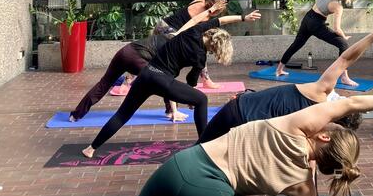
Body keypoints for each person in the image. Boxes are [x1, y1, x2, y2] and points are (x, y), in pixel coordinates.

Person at [127, 93, 373, 196]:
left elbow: (351, 104)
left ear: (324, 134)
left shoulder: (294, 126)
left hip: (175, 168)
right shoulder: (303, 184)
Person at [82, 9, 261, 157]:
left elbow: (220, 20)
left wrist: (243, 17)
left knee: (122, 115)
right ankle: (204, 145)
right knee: (201, 100)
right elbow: (191, 81)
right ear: (216, 47)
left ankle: (91, 148)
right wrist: (190, 99)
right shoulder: (200, 57)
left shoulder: (194, 30)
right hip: (162, 80)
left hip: (146, 74)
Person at [197, 24, 373, 144]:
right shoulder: (320, 106)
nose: (345, 98)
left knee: (205, 152)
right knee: (204, 153)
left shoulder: (321, 96)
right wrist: (372, 36)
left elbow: (345, 60)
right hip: (241, 115)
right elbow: (345, 59)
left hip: (241, 112)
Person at [68, 1, 228, 123]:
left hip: (125, 51)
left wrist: (213, 11)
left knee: (104, 83)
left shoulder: (176, 34)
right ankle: (172, 112)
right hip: (139, 58)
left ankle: (76, 115)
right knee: (163, 81)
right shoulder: (179, 43)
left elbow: (197, 21)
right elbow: (169, 78)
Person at [155, 0, 226, 91]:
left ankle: (129, 79)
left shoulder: (199, 0)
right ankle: (205, 81)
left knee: (150, 53)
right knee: (201, 51)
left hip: (161, 25)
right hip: (170, 31)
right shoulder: (205, 19)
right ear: (215, 11)